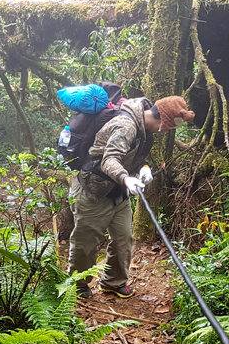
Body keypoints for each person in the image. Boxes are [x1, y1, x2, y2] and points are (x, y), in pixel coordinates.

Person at [68, 95, 195, 298]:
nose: (164, 132)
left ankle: (113, 282)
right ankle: (77, 285)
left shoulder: (145, 132)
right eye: (167, 128)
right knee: (87, 242)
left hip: (118, 192)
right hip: (93, 191)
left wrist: (143, 169)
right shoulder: (126, 125)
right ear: (162, 123)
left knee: (123, 238)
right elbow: (109, 159)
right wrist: (126, 179)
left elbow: (134, 158)